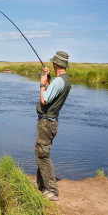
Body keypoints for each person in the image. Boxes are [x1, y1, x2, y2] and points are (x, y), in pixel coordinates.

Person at [35, 51, 71, 201]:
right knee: (41, 151)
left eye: (53, 62)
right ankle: (41, 183)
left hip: (47, 122)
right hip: (51, 121)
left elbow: (44, 100)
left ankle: (52, 191)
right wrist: (48, 77)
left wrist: (42, 82)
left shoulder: (59, 81)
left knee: (43, 154)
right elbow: (52, 94)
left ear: (56, 63)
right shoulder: (64, 79)